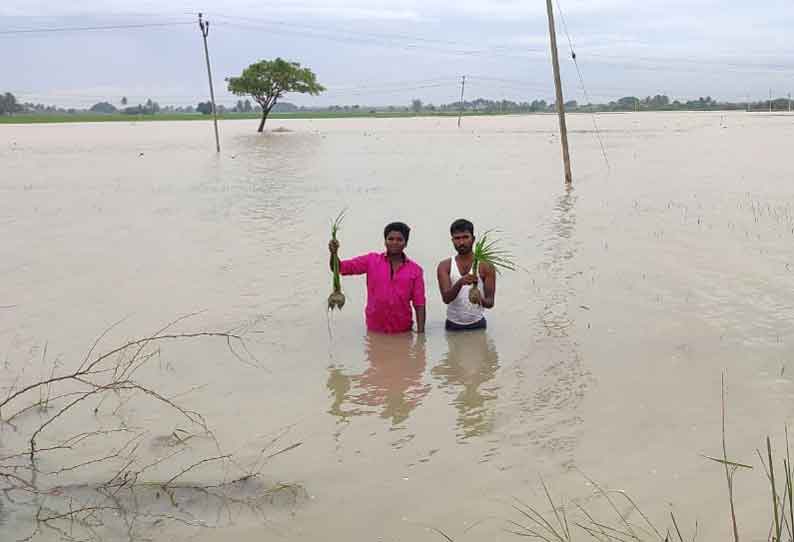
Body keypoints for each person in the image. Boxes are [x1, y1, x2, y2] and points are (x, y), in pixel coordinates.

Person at [329, 221, 426, 334]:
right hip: (375, 330)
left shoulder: (416, 270)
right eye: (390, 239)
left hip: (402, 330)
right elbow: (339, 268)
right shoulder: (371, 260)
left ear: (406, 243)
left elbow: (419, 304)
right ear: (385, 241)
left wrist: (420, 336)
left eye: (399, 239)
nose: (394, 242)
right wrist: (333, 253)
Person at [436, 219, 496, 330]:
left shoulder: (486, 266)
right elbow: (446, 299)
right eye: (457, 238)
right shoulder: (445, 266)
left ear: (473, 239)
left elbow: (490, 302)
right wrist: (460, 282)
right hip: (452, 325)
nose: (461, 242)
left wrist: (480, 299)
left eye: (465, 237)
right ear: (452, 240)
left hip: (478, 324)